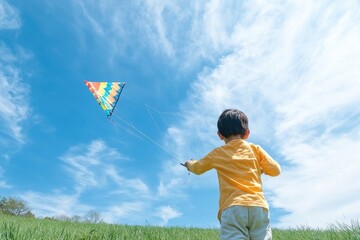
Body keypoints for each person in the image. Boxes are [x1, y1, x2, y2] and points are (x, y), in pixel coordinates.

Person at [183, 109, 281, 240]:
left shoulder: (217, 153)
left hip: (232, 208)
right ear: (247, 133)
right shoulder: (255, 149)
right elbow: (275, 170)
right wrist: (261, 170)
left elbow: (198, 168)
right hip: (258, 206)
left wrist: (189, 164)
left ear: (220, 135)